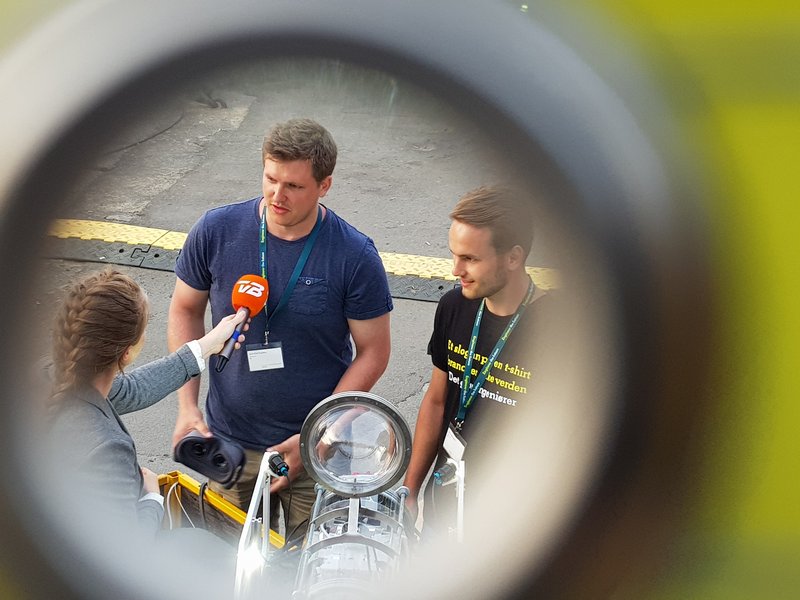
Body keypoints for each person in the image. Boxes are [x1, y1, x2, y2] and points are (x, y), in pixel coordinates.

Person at [168, 118, 393, 536]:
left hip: (317, 452)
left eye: (293, 186)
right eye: (270, 179)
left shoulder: (354, 255)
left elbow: (373, 351)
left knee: (308, 564)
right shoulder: (215, 231)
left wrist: (315, 437)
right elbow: (185, 309)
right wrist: (187, 405)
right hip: (229, 445)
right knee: (229, 562)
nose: (277, 195)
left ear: (324, 185)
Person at [48, 268, 247, 538]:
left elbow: (133, 389)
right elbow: (126, 546)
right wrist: (152, 499)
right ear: (128, 353)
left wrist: (207, 346)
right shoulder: (109, 449)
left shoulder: (51, 377)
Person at [402, 186, 551, 536]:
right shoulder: (454, 307)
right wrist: (410, 490)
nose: (456, 270)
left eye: (470, 259)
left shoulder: (557, 330)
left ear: (513, 257)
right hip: (441, 508)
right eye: (454, 255)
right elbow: (437, 401)